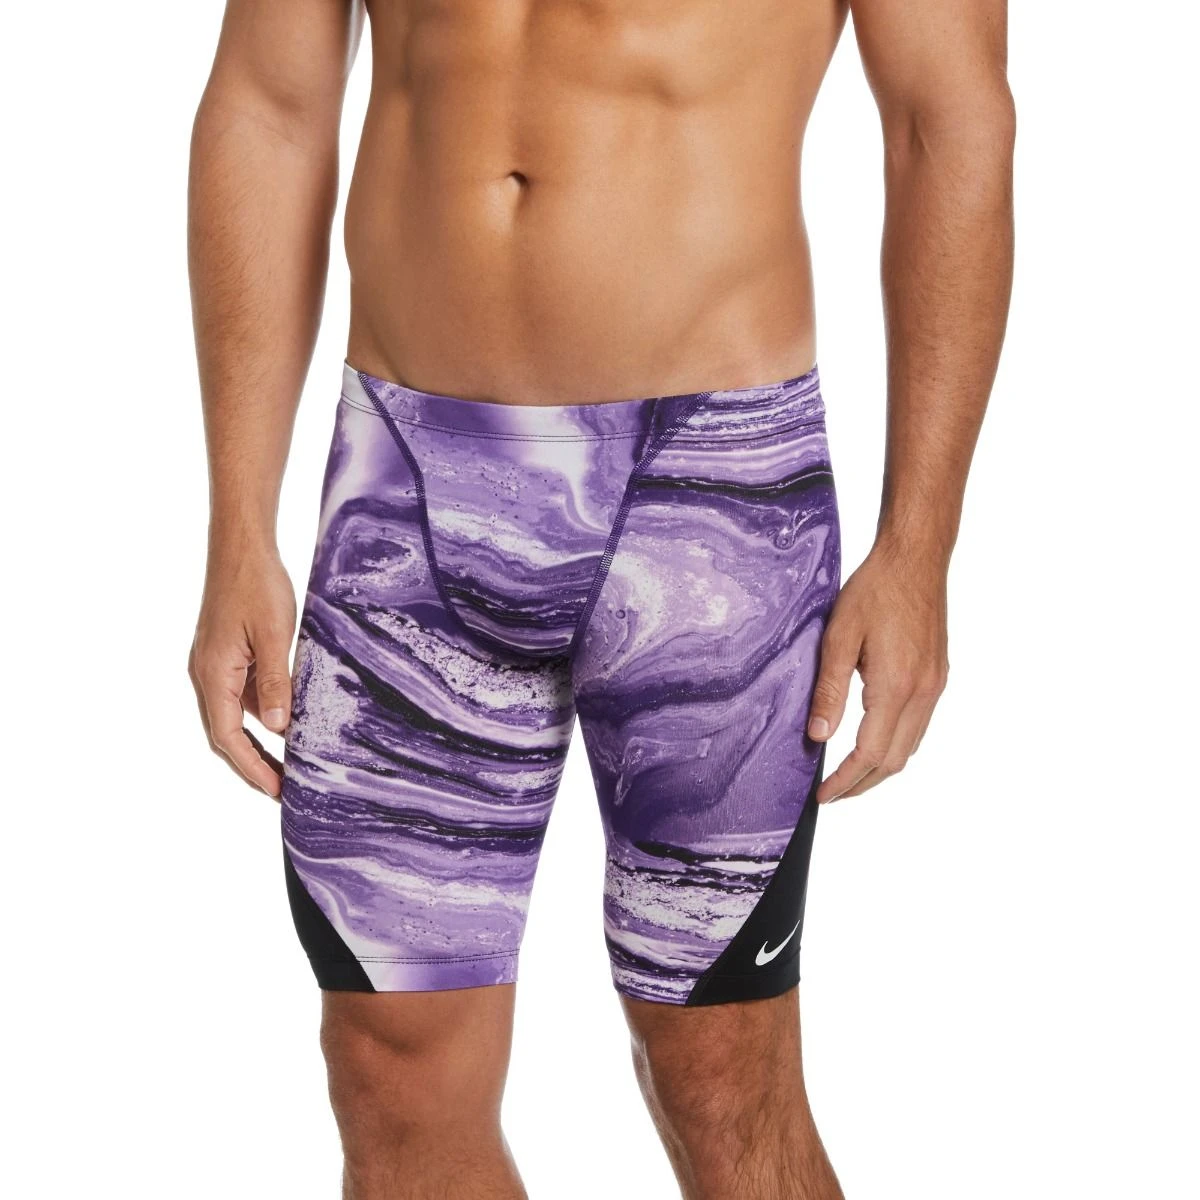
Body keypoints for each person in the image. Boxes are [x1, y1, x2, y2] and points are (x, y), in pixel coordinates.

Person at [187, 0, 1013, 1194]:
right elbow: (269, 105)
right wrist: (237, 525)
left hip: (712, 491)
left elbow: (951, 120)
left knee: (719, 1064)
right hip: (405, 494)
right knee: (388, 1069)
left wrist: (920, 548)